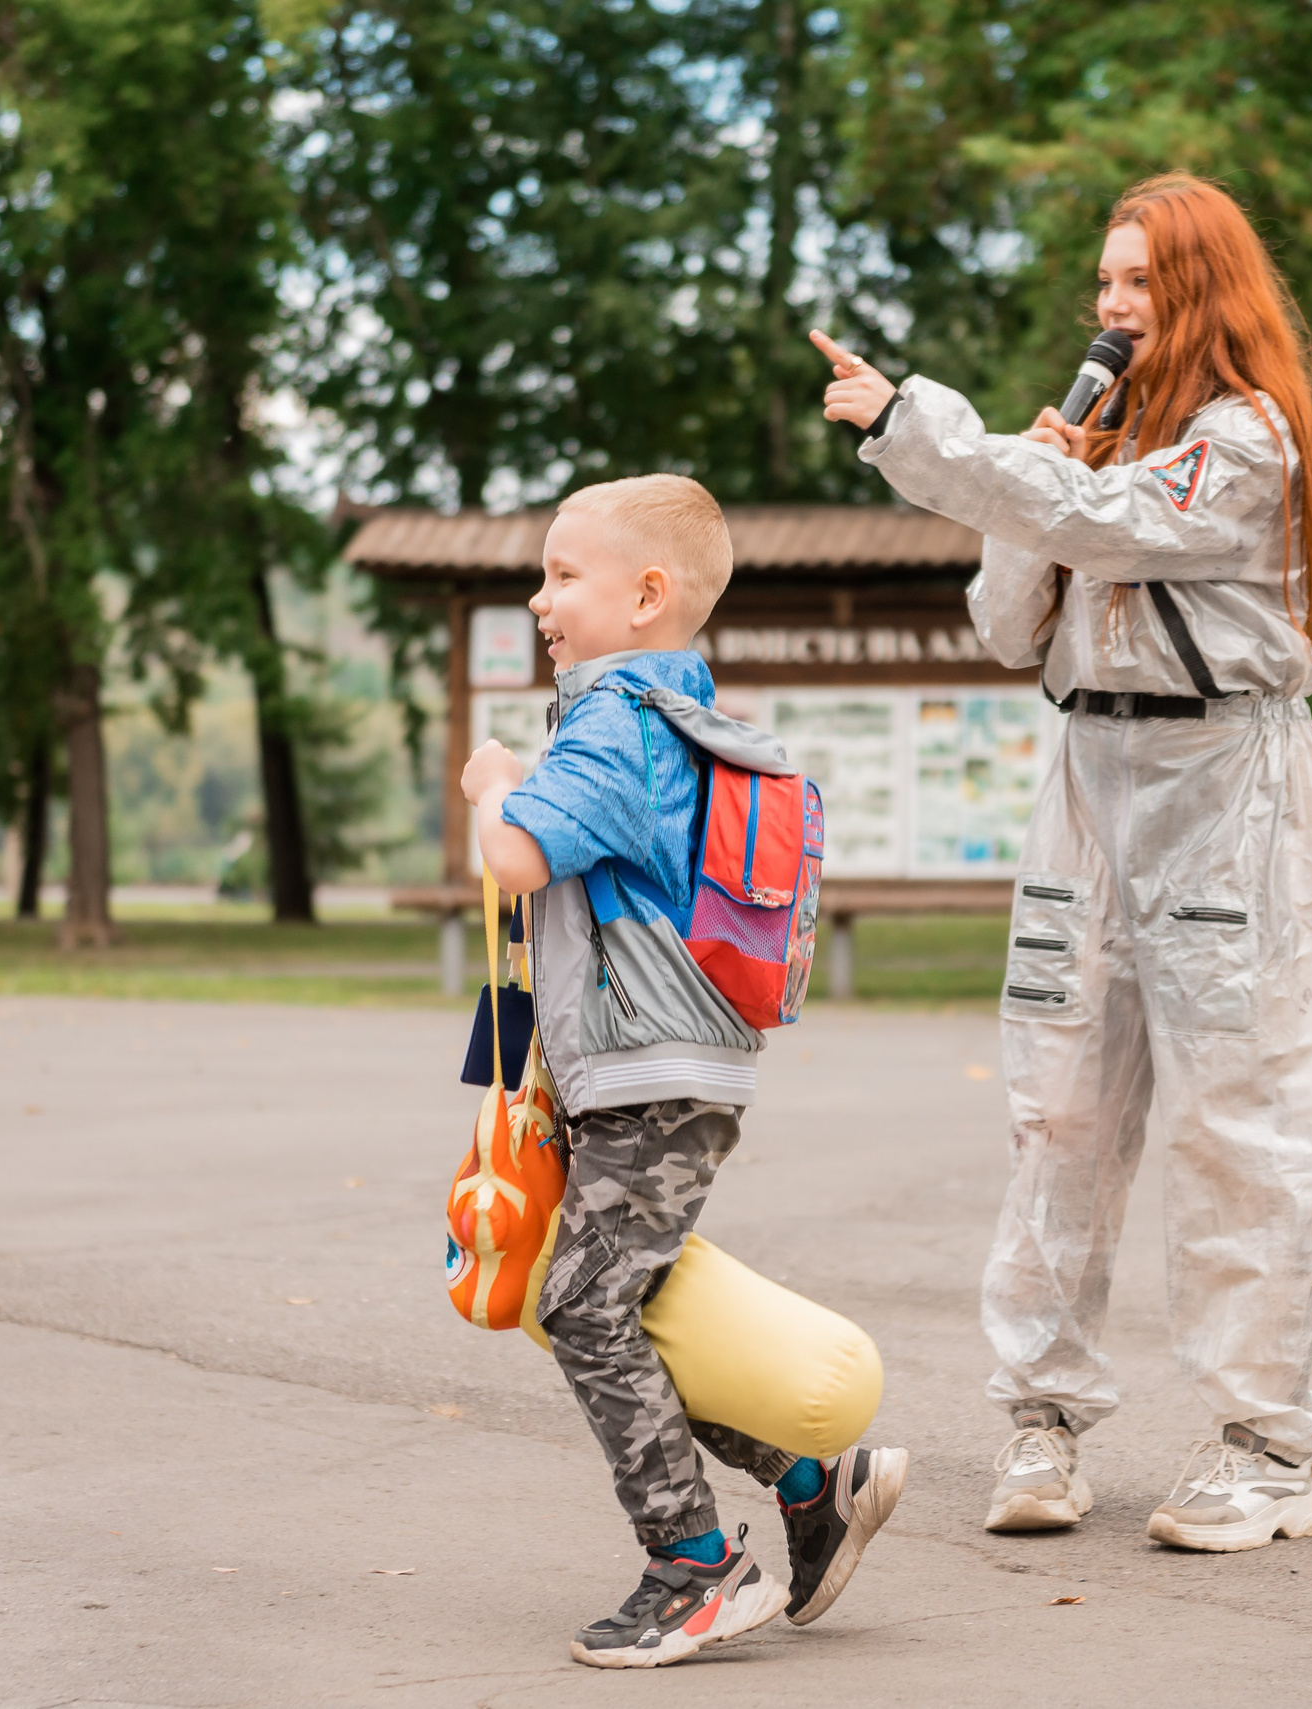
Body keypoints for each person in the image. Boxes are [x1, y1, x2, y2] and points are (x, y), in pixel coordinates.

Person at [811, 171, 1312, 1553]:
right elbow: (1009, 625)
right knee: (1056, 1110)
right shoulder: (1096, 458)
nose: (1113, 309)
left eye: (1140, 284)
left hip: (1224, 787)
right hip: (1085, 787)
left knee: (1243, 1120)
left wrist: (920, 426)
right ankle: (1042, 1420)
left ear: (1202, 293)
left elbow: (1123, 528)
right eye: (1105, 283)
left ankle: (1265, 1446)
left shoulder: (1247, 444)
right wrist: (1034, 487)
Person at [459, 473, 908, 1667]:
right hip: (663, 1066)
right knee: (621, 1304)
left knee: (581, 1304)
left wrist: (490, 782)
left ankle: (694, 1566)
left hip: (651, 1074)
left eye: (563, 574)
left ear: (647, 594)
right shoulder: (675, 713)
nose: (540, 597)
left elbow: (511, 856)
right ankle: (812, 1482)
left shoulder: (613, 722)